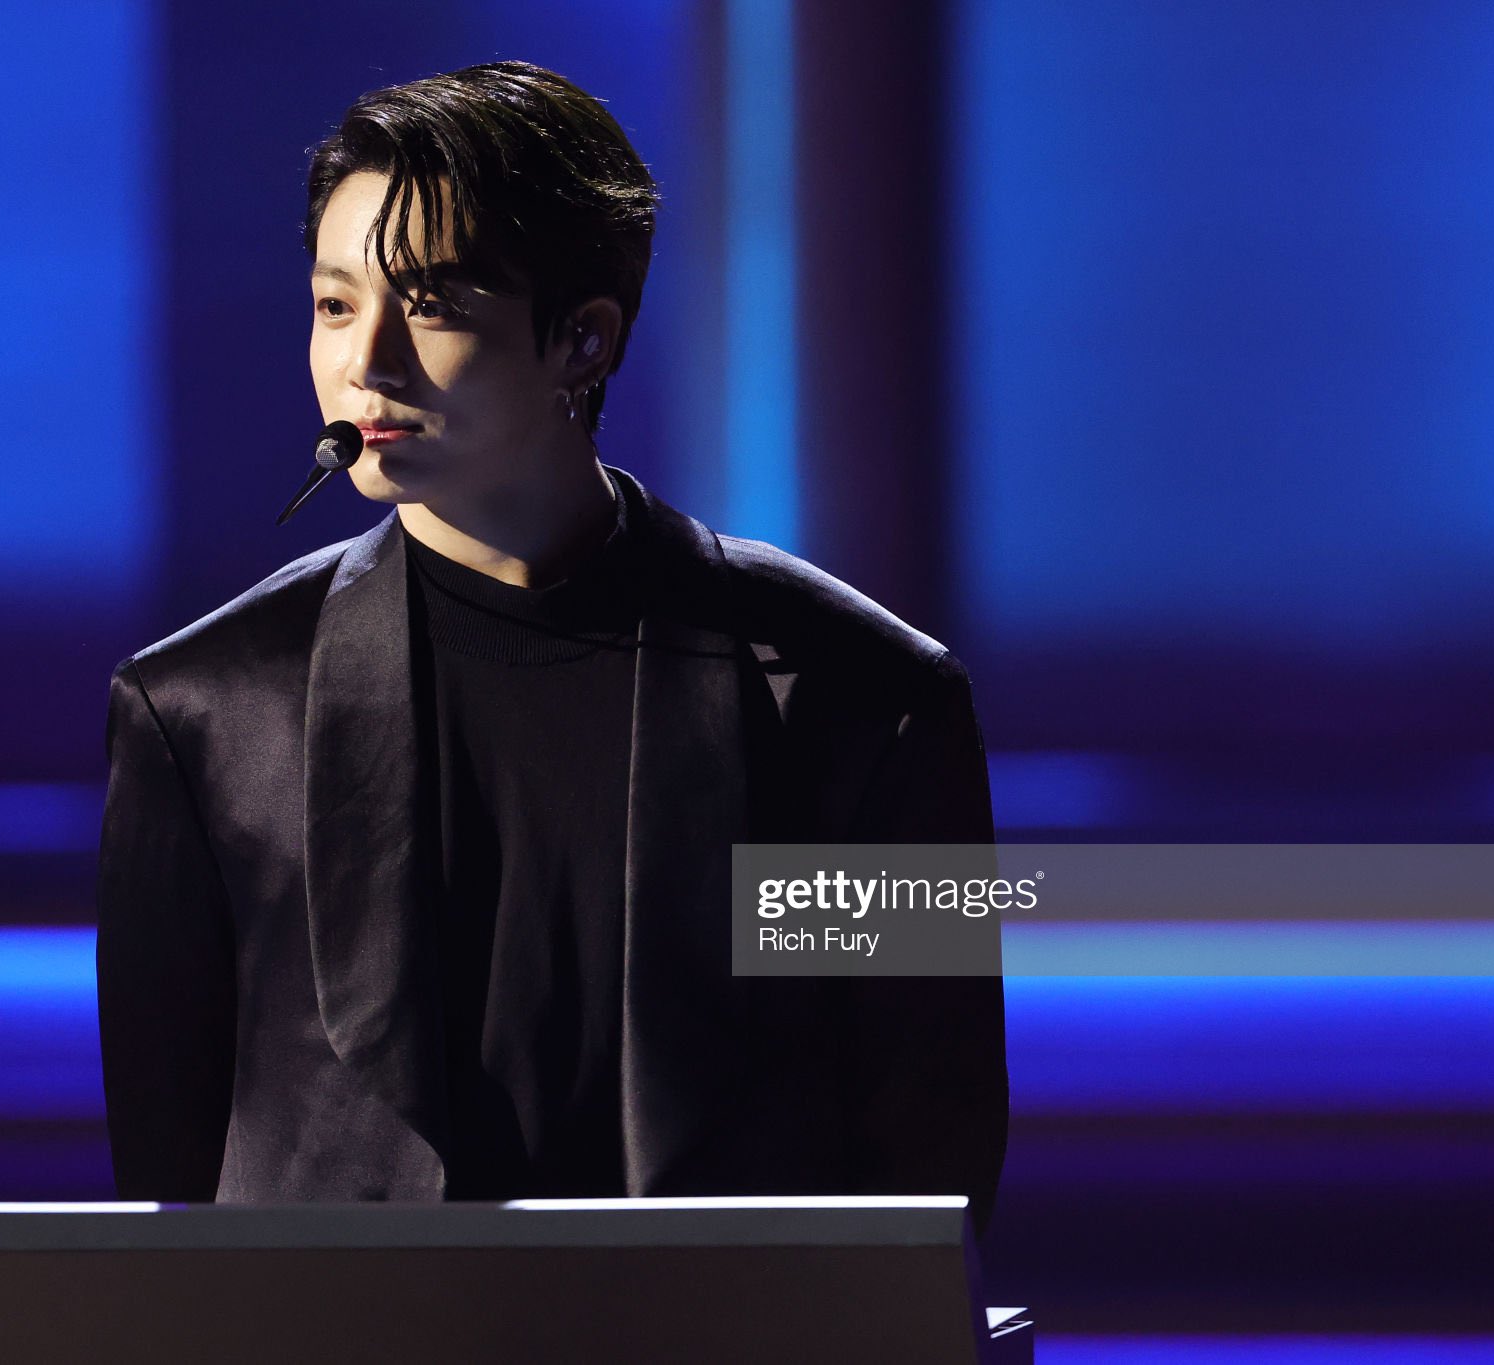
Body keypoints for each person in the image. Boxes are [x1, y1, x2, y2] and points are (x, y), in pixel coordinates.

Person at [96, 60, 1008, 1232]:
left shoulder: (862, 700)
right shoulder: (202, 712)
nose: (363, 362)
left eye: (430, 306)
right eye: (334, 305)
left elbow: (926, 1154)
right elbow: (167, 1188)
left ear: (583, 340)